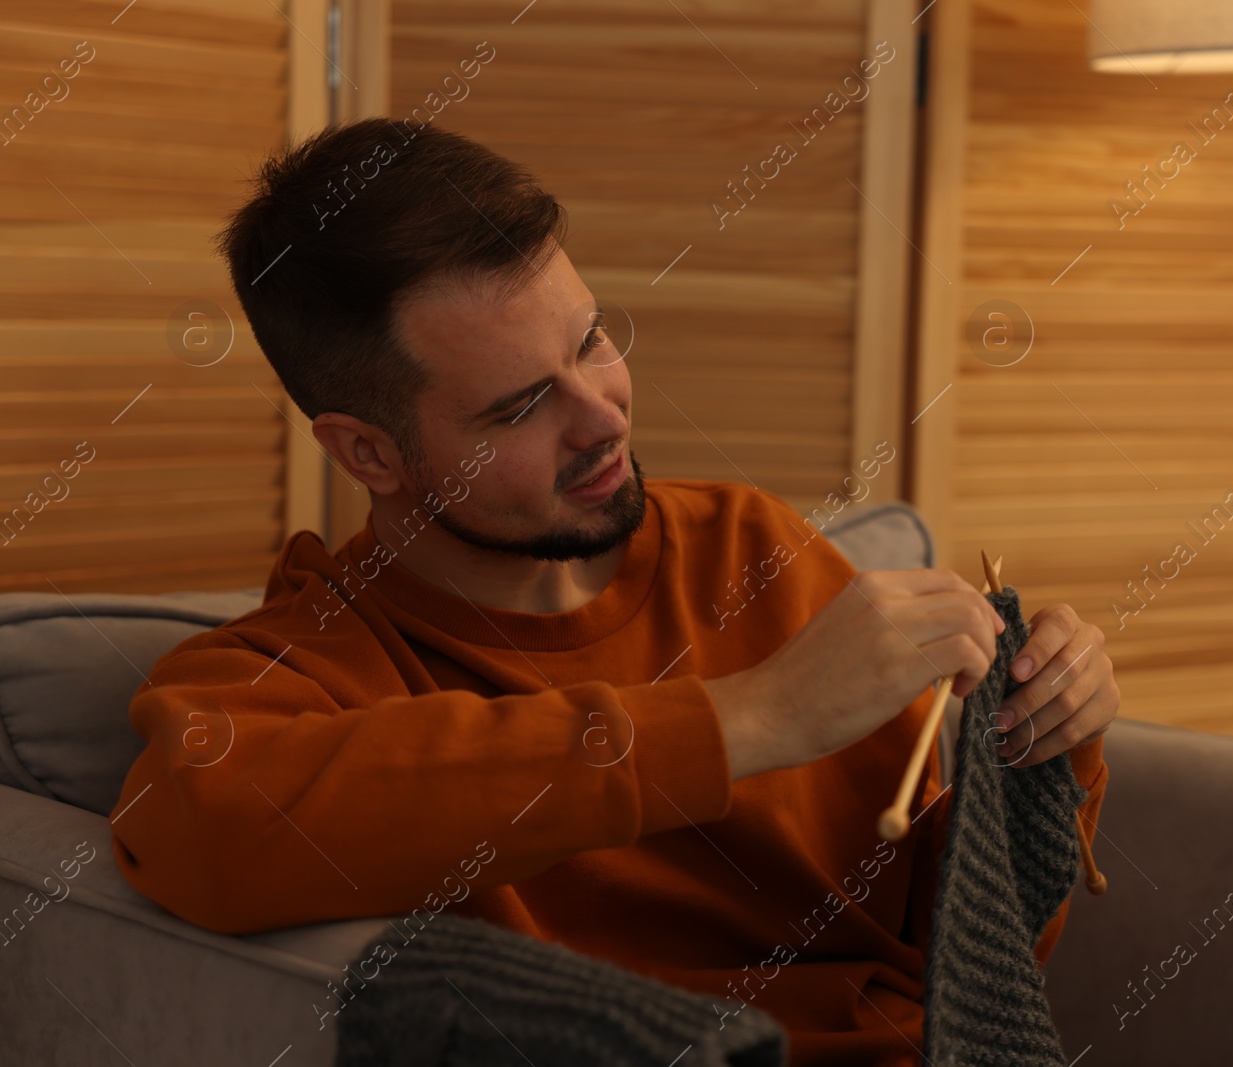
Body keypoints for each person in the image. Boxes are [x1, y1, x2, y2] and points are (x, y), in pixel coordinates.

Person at [111, 118, 1119, 1066]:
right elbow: (195, 829)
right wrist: (746, 717)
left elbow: (967, 945)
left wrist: (1047, 743)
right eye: (517, 406)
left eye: (592, 340)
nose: (603, 418)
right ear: (368, 450)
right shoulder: (302, 668)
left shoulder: (747, 545)